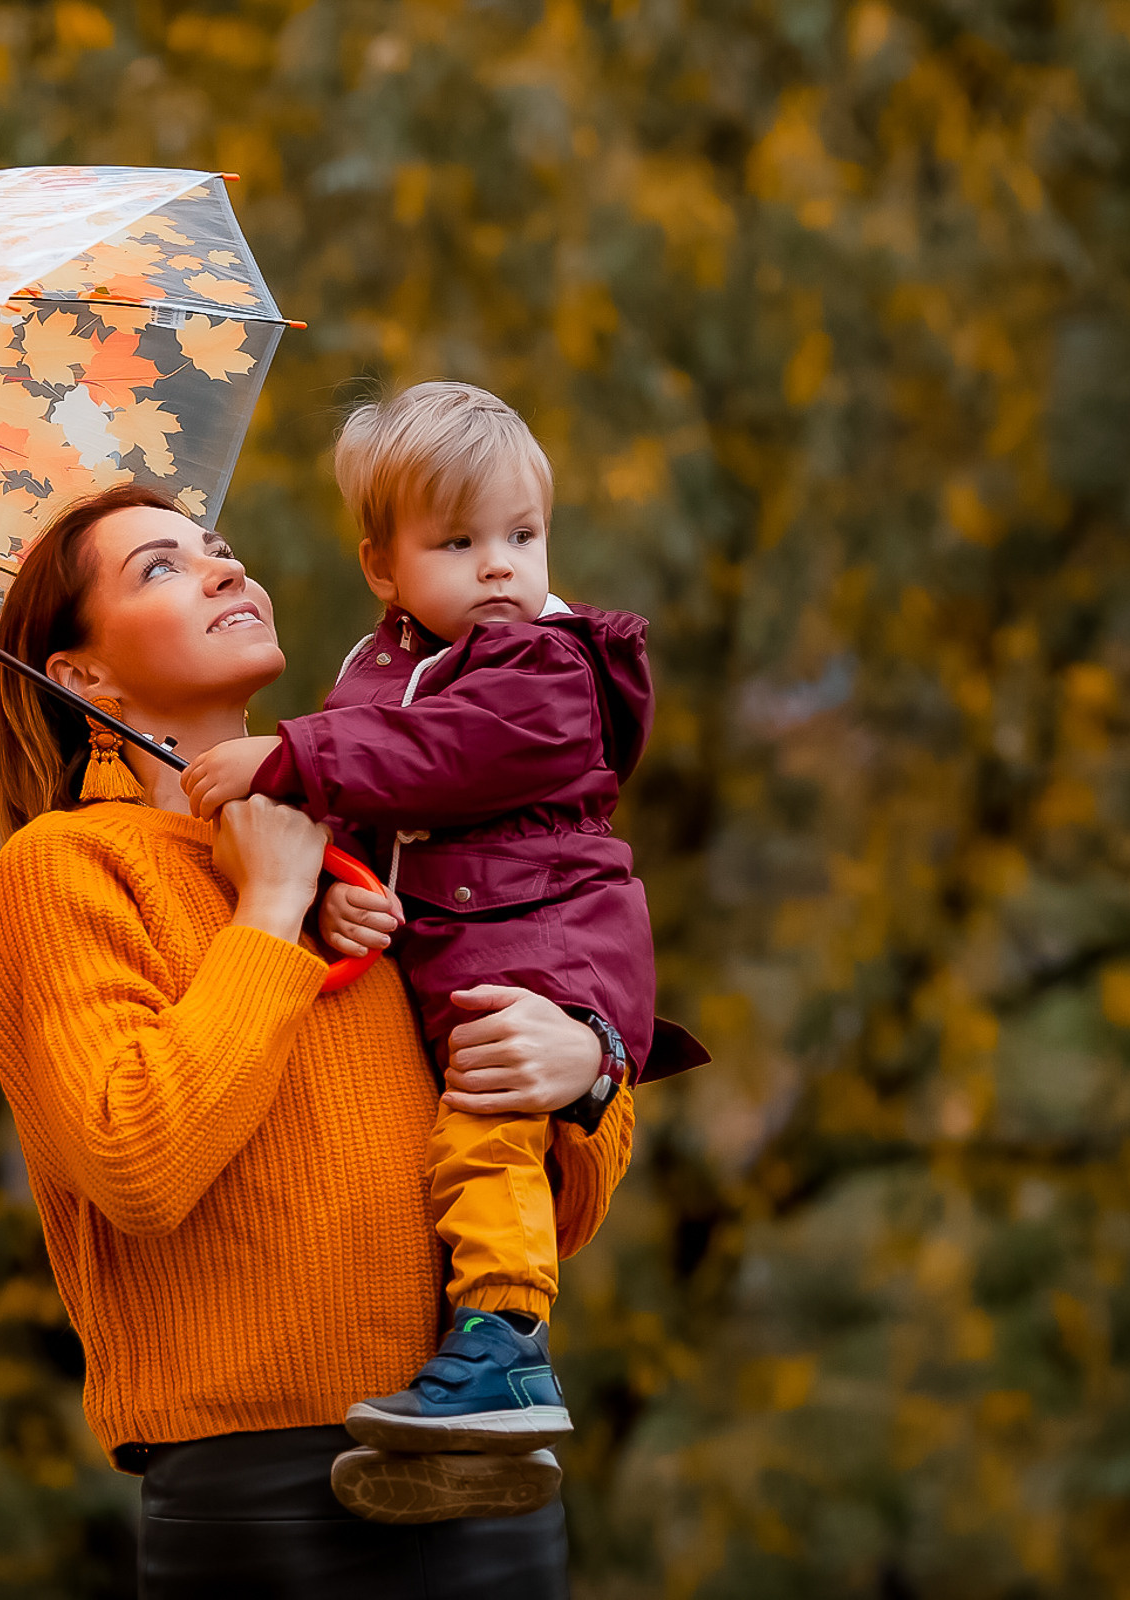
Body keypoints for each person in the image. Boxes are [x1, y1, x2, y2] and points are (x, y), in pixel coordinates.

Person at [0, 483, 632, 1593]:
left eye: (221, 549)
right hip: (259, 1498)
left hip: (483, 1467)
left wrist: (586, 1074)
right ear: (79, 673)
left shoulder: (385, 856)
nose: (226, 570)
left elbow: (551, 1212)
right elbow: (140, 1160)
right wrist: (269, 908)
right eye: (161, 568)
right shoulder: (69, 869)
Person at [179, 384, 708, 1460]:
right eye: (460, 541)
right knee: (461, 1140)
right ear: (385, 567)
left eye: (523, 534)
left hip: (544, 945)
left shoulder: (544, 667)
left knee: (484, 1132)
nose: (502, 565)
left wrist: (287, 755)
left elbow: (444, 758)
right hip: (469, 942)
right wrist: (347, 886)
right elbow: (376, 806)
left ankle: (506, 1339)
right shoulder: (381, 669)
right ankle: (467, 1386)